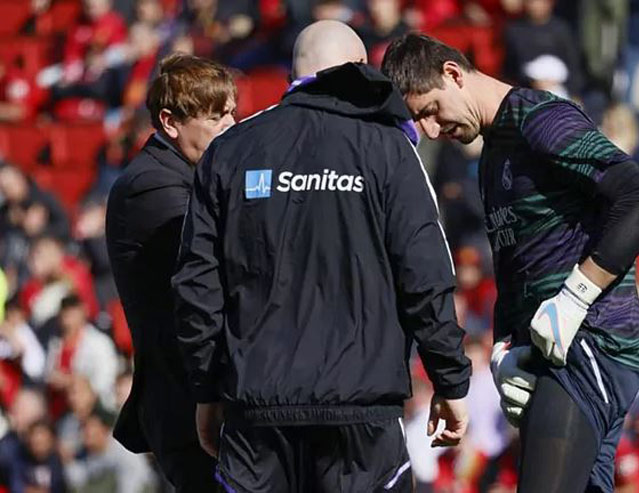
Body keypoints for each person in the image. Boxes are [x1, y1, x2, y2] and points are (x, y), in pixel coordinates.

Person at [172, 20, 471, 492]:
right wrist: (450, 381)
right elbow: (425, 276)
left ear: (296, 75)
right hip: (361, 415)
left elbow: (197, 287)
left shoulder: (229, 151)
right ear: (358, 70)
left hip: (257, 415)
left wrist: (205, 392)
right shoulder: (390, 148)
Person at [381, 33, 639, 492]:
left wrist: (576, 296)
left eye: (430, 110)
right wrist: (505, 349)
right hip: (555, 351)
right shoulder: (496, 149)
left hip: (589, 341)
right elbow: (517, 264)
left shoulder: (541, 118)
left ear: (453, 74)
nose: (432, 130)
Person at [105, 53, 236, 492]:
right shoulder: (150, 185)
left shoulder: (193, 175)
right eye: (216, 116)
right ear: (171, 122)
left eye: (232, 112)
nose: (230, 126)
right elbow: (220, 254)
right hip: (185, 405)